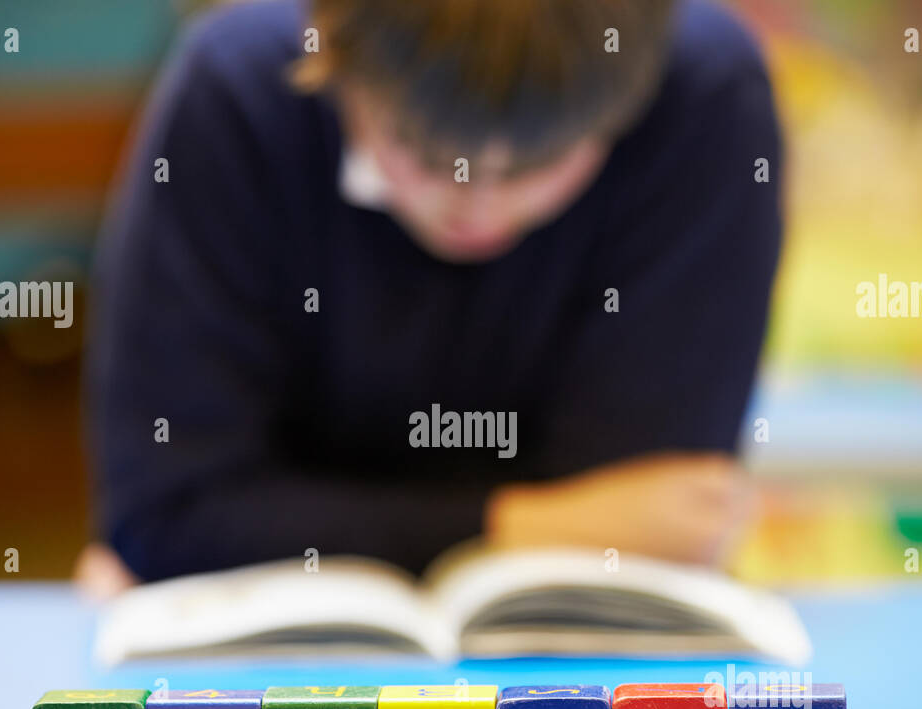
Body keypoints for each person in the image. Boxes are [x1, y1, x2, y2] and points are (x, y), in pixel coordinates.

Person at [79, 0, 782, 595]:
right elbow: (167, 517)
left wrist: (276, 527)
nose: (479, 206)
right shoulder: (237, 93)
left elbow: (655, 523)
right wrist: (521, 526)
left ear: (627, 110)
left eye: (541, 163)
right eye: (422, 153)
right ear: (330, 55)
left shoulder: (706, 100)